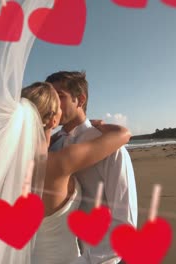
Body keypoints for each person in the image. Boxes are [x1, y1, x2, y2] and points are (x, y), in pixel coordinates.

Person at [21, 82, 131, 264]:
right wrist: (101, 125)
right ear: (53, 120)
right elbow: (123, 133)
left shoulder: (14, 165)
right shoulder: (60, 161)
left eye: (61, 95)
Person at [47, 71, 138, 264]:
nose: (53, 105)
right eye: (50, 97)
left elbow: (125, 224)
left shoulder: (112, 149)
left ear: (80, 99)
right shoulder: (52, 147)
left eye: (60, 97)